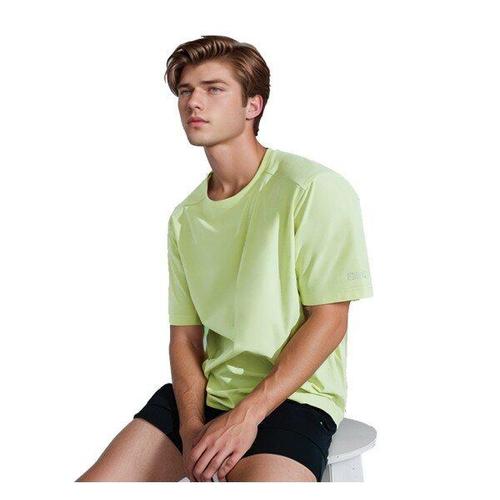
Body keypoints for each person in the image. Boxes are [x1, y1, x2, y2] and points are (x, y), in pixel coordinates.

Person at [76, 35, 373, 483]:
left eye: (214, 89)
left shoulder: (312, 189)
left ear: (253, 105)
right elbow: (185, 338)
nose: (193, 102)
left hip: (293, 399)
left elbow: (330, 319)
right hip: (204, 397)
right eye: (185, 91)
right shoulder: (186, 217)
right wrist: (190, 427)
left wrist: (246, 416)